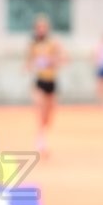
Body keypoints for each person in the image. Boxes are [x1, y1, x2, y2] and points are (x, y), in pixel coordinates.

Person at [26, 14, 66, 156]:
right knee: (40, 109)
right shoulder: (33, 45)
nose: (41, 30)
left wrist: (53, 61)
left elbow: (64, 58)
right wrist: (31, 65)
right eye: (38, 27)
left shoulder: (53, 43)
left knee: (49, 116)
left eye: (43, 27)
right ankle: (40, 139)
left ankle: (42, 134)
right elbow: (28, 63)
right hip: (40, 81)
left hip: (52, 82)